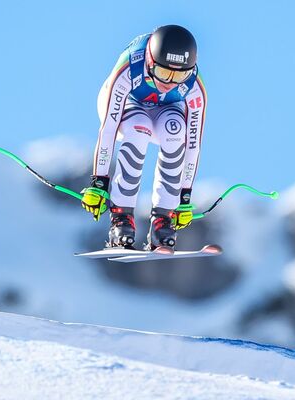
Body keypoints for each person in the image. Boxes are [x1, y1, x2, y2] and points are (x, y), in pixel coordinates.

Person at [80, 25, 207, 250]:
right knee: (139, 128)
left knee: (176, 130)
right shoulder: (129, 67)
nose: (169, 82)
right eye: (163, 73)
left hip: (166, 110)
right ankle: (122, 219)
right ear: (149, 61)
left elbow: (193, 145)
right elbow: (108, 130)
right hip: (126, 105)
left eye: (178, 75)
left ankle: (163, 221)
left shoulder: (194, 86)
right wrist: (99, 182)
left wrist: (183, 199)